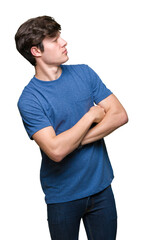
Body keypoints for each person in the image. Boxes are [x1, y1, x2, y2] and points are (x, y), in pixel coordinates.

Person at [15, 16, 128, 240]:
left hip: (101, 187)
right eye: (55, 40)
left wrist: (72, 142)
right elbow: (56, 152)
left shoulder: (84, 73)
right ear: (36, 51)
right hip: (63, 196)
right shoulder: (29, 100)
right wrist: (91, 116)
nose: (64, 42)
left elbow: (120, 115)